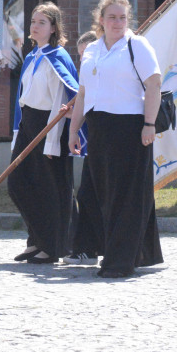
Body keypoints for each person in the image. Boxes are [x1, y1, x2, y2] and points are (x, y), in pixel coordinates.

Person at [67, 0, 164, 279]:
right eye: (112, 17)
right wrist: (74, 129)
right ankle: (135, 252)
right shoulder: (93, 50)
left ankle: (119, 261)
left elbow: (154, 84)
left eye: (122, 17)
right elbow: (83, 94)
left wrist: (149, 124)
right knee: (105, 196)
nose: (118, 23)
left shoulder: (137, 45)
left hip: (131, 128)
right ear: (101, 20)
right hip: (99, 129)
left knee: (127, 196)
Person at [8, 2, 79, 265]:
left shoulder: (58, 57)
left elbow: (63, 98)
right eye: (33, 22)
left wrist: (51, 141)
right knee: (19, 184)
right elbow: (23, 99)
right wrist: (19, 132)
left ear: (53, 28)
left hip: (50, 127)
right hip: (29, 123)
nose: (34, 27)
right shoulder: (31, 57)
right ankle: (37, 238)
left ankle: (53, 245)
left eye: (41, 23)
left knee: (51, 188)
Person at [61, 31, 102, 267]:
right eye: (81, 56)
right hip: (96, 140)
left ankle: (94, 248)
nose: (83, 61)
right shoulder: (89, 76)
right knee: (87, 194)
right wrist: (73, 122)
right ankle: (88, 249)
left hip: (112, 139)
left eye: (87, 54)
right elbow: (83, 99)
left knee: (94, 195)